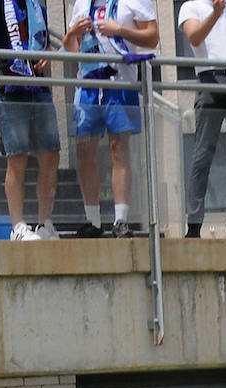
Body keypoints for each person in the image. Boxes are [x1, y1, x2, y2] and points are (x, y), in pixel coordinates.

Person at [62, 0, 157, 238]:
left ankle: (121, 221)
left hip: (121, 83)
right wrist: (72, 33)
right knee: (83, 151)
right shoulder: (81, 4)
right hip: (87, 85)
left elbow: (153, 36)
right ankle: (93, 221)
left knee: (119, 149)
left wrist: (120, 31)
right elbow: (71, 49)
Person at [0, 0, 60, 240]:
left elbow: (42, 42)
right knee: (17, 157)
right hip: (10, 86)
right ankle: (18, 227)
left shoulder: (36, 6)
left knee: (50, 154)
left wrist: (46, 54)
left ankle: (45, 223)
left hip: (39, 85)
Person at [179, 0, 226, 238]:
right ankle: (194, 225)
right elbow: (195, 38)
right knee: (202, 155)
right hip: (210, 80)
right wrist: (216, 13)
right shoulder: (191, 6)